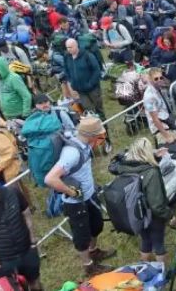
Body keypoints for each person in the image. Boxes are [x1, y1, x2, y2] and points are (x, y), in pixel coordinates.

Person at [44, 116, 116, 276]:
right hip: (75, 203)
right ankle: (89, 266)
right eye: (99, 135)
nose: (101, 138)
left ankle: (94, 251)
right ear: (90, 135)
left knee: (96, 225)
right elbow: (50, 178)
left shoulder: (84, 145)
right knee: (81, 236)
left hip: (89, 195)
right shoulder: (71, 153)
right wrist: (72, 192)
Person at [109, 138, 172, 264]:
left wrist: (154, 155)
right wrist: (169, 215)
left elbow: (136, 162)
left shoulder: (123, 167)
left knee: (145, 239)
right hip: (152, 215)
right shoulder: (151, 172)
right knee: (158, 242)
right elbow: (157, 204)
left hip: (136, 213)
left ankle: (144, 265)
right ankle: (162, 272)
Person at [61, 38, 104, 119]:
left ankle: (105, 127)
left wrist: (90, 83)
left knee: (99, 108)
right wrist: (71, 81)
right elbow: (66, 69)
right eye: (67, 47)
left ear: (76, 45)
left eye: (71, 47)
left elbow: (96, 70)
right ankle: (95, 127)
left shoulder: (87, 55)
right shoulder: (67, 56)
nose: (69, 49)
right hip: (80, 90)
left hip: (93, 88)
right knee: (89, 110)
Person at [0, 56, 32, 121]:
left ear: (0, 68)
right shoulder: (1, 79)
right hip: (9, 115)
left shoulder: (13, 78)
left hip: (20, 114)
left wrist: (26, 113)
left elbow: (26, 96)